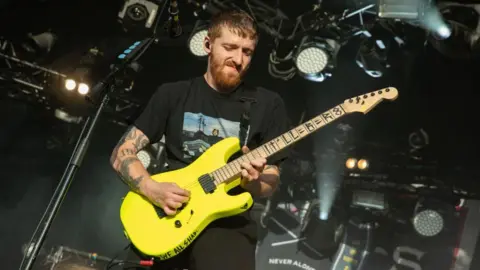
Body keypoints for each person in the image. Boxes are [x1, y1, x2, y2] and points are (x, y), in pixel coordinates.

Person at [110, 9, 290, 270]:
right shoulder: (173, 94)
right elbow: (122, 153)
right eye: (230, 47)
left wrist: (253, 184)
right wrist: (151, 188)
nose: (238, 59)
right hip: (169, 212)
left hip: (228, 226)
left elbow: (270, 180)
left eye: (247, 51)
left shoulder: (268, 104)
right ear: (208, 44)